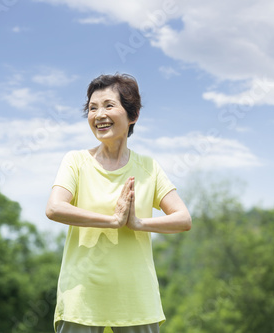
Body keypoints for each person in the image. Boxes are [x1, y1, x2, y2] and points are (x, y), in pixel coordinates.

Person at [45, 73, 192, 333]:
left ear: (132, 115)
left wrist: (137, 223)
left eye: (108, 105)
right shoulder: (76, 161)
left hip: (136, 301)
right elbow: (55, 208)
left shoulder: (148, 167)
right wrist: (113, 221)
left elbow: (183, 219)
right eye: (92, 108)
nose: (98, 114)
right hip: (82, 299)